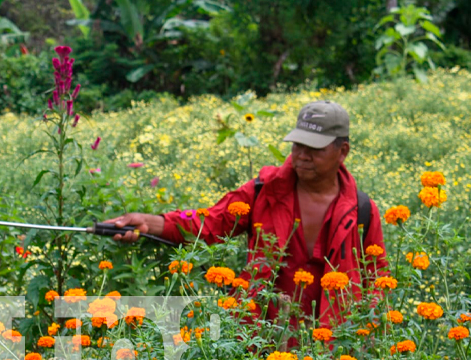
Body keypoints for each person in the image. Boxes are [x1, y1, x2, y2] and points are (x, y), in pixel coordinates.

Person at [105, 101, 388, 342]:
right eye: (298, 145)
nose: (302, 155)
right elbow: (211, 222)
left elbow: (377, 278)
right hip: (258, 344)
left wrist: (364, 334)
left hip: (331, 352)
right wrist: (149, 223)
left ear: (343, 151)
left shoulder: (362, 210)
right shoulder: (264, 190)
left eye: (314, 148)